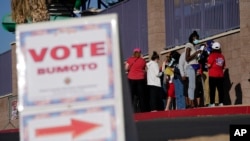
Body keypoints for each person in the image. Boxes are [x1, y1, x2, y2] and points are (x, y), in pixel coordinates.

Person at [125, 48, 147, 112]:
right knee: (141, 96)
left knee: (131, 96)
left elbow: (126, 68)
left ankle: (129, 110)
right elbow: (144, 69)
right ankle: (143, 111)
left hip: (131, 78)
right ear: (140, 53)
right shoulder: (143, 60)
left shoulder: (130, 59)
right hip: (140, 79)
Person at [184, 31, 202, 108]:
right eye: (196, 38)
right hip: (190, 67)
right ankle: (191, 103)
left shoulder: (193, 46)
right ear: (193, 38)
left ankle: (192, 102)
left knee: (192, 85)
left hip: (193, 67)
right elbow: (187, 58)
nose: (197, 40)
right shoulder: (189, 45)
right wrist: (195, 53)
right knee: (192, 86)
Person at [207, 42, 226, 107]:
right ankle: (221, 102)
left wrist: (206, 65)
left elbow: (209, 65)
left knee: (212, 90)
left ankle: (212, 103)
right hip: (220, 75)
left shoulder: (211, 55)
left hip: (212, 75)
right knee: (220, 90)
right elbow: (223, 66)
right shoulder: (222, 56)